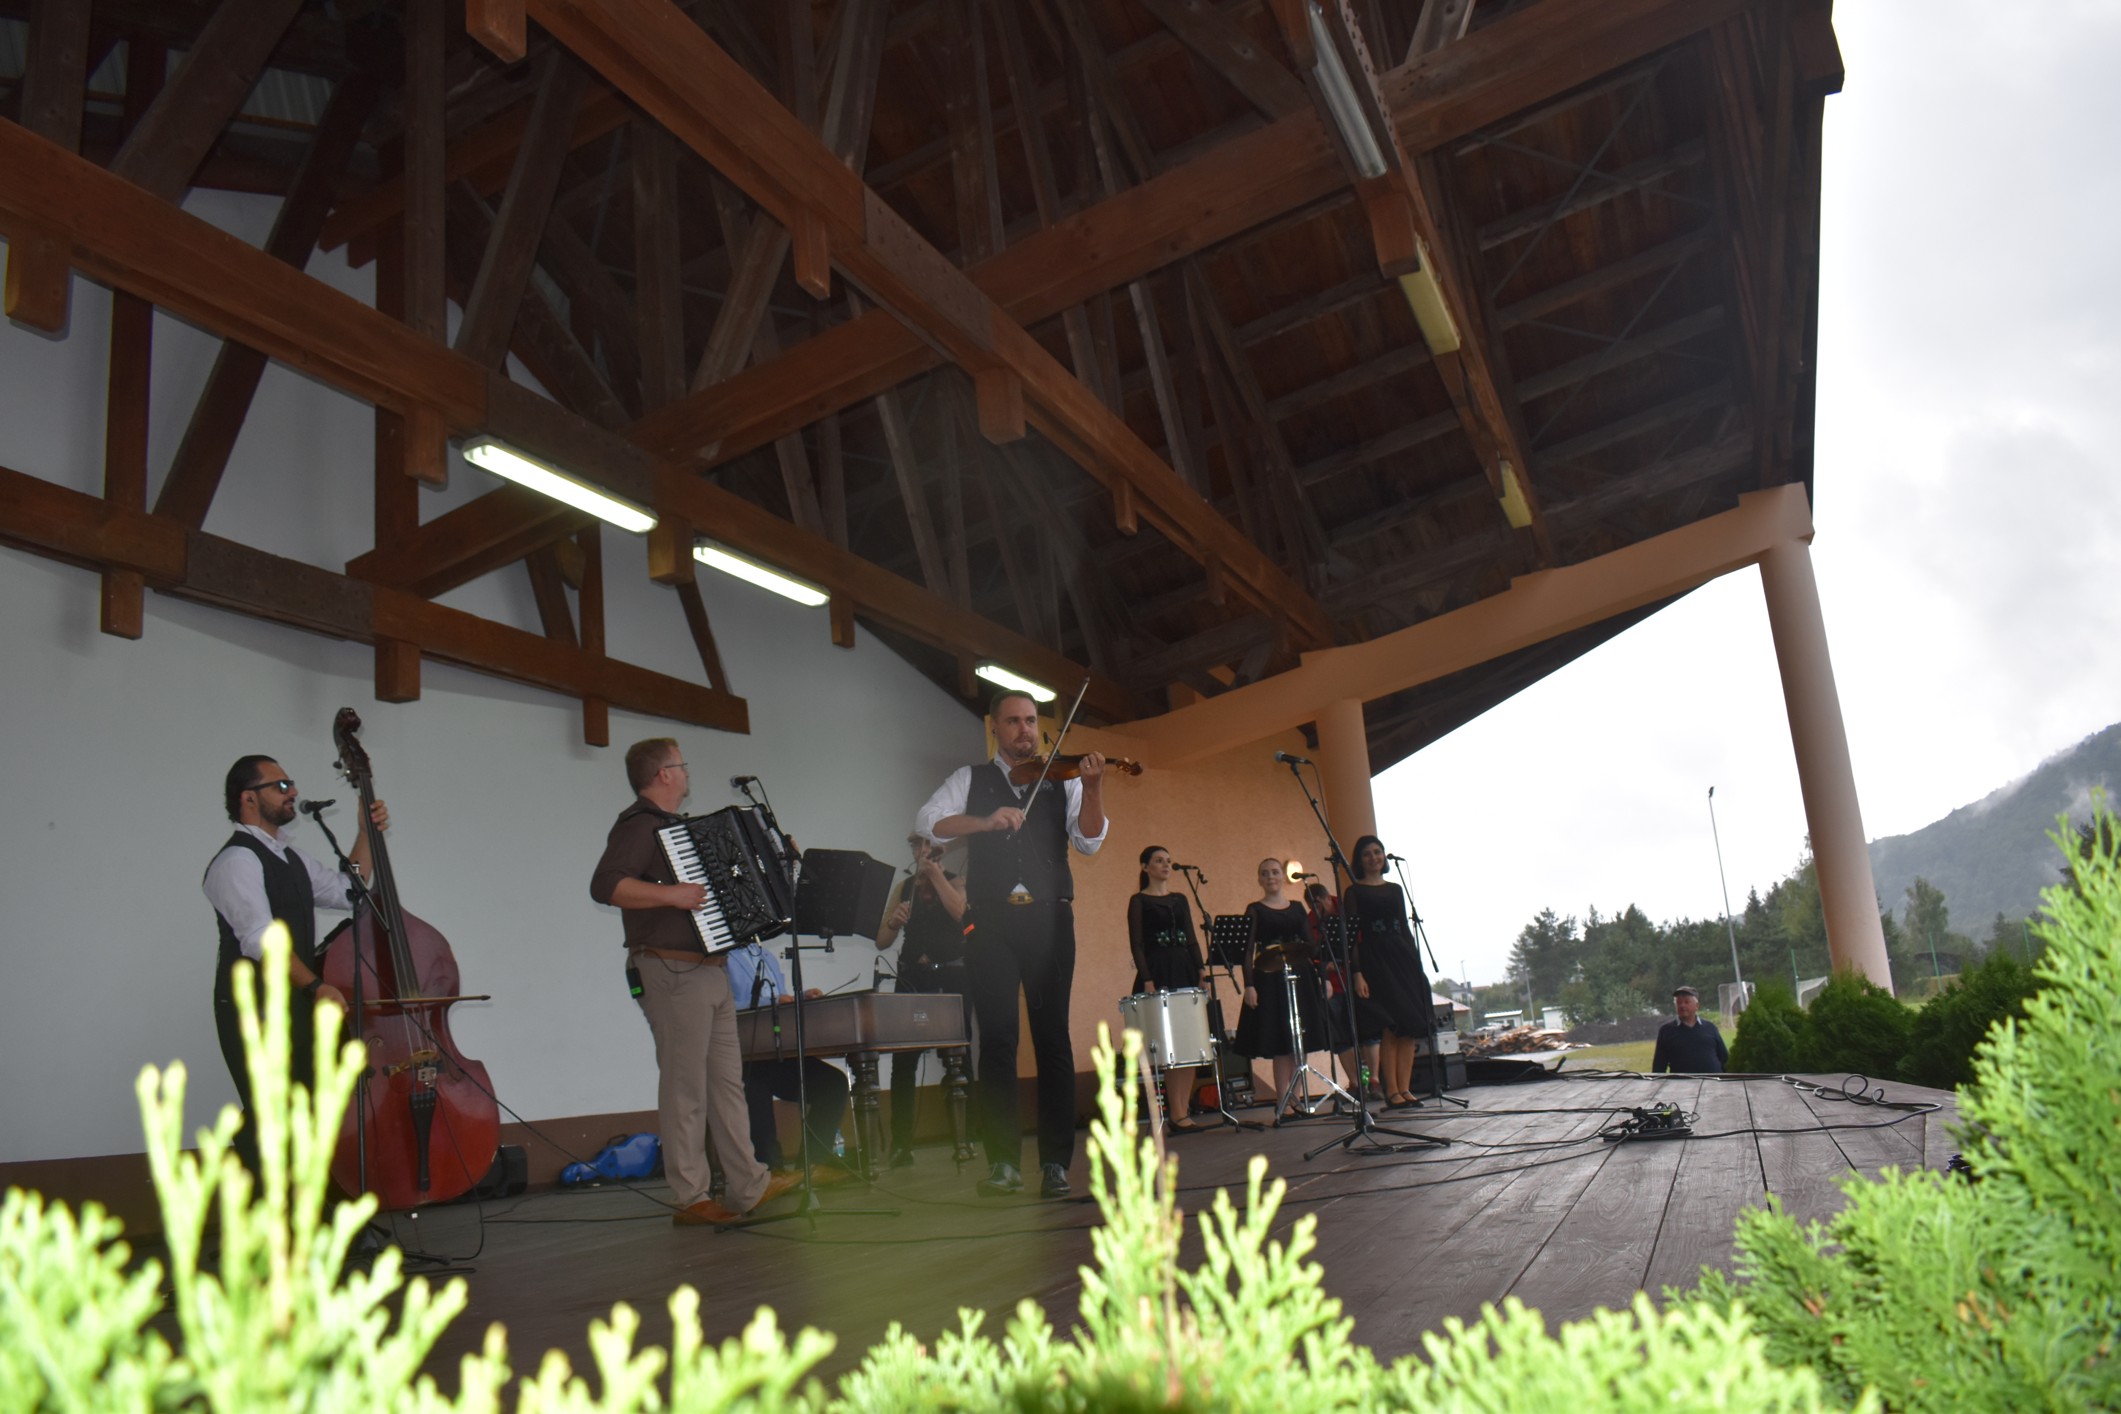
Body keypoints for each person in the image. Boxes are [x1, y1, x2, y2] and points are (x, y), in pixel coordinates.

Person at [590, 737, 798, 1226]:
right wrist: (673, 896)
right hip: (670, 970)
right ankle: (690, 1196)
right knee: (686, 1086)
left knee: (727, 1084)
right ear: (663, 774)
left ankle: (749, 1184)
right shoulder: (639, 825)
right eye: (681, 765)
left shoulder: (676, 829)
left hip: (709, 969)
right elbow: (606, 885)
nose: (687, 773)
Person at [915, 690, 1107, 1200]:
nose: (1025, 730)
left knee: (1052, 1038)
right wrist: (984, 821)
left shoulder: (1064, 779)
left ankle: (1055, 1164)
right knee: (998, 1039)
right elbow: (928, 822)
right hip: (990, 923)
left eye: (1031, 720)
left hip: (1049, 922)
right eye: (1015, 721)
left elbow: (1090, 841)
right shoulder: (969, 779)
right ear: (995, 728)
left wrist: (1092, 788)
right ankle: (1002, 1162)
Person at [203, 754, 386, 1174]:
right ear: (249, 798)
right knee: (270, 1113)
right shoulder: (236, 861)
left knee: (304, 1108)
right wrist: (316, 986)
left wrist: (365, 834)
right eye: (281, 785)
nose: (294, 792)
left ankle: (302, 1204)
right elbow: (262, 939)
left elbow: (349, 891)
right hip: (254, 1006)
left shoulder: (291, 857)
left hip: (295, 1002)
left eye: (291, 783)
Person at [873, 833, 968, 1166]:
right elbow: (881, 941)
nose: (920, 851)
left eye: (926, 845)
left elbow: (959, 913)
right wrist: (893, 922)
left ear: (938, 848)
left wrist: (935, 873)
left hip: (951, 977)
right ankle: (901, 1145)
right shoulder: (905, 887)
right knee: (903, 1062)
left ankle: (965, 1138)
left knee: (958, 1058)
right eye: (915, 846)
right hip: (911, 977)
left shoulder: (955, 881)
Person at [726, 940, 852, 1172]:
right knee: (754, 1084)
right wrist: (771, 1001)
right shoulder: (722, 958)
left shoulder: (766, 956)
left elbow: (781, 998)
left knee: (833, 1083)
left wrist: (801, 997)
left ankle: (812, 1162)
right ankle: (770, 1170)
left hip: (779, 1049)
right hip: (745, 1054)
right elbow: (725, 1006)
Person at [1343, 835, 1440, 1109]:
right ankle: (1392, 1091)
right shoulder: (1354, 892)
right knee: (1391, 1027)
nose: (1374, 857)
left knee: (1409, 1026)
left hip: (1402, 957)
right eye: (1367, 854)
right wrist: (1357, 973)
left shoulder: (1396, 889)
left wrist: (1416, 965)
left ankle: (1406, 1089)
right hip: (1375, 961)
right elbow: (1352, 937)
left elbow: (1405, 928)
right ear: (1359, 860)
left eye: (1377, 852)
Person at [1232, 858, 1328, 1122]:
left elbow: (1311, 945)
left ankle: (1296, 1099)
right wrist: (1249, 985)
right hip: (1270, 977)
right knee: (1282, 1041)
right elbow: (1248, 950)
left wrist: (1323, 978)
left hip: (1301, 975)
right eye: (1265, 873)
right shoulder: (1255, 909)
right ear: (1259, 880)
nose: (1271, 876)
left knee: (1300, 1037)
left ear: (1283, 877)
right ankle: (1282, 1101)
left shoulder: (1297, 908)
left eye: (1275, 872)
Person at [1128, 845, 1209, 1133]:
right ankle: (1175, 1112)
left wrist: (1201, 970)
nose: (1165, 865)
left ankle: (1181, 1111)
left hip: (1184, 969)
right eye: (1159, 861)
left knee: (1188, 1042)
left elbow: (1191, 937)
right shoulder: (1139, 901)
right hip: (1158, 971)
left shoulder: (1180, 899)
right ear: (1145, 867)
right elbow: (1137, 944)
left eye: (1168, 861)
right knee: (1169, 1045)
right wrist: (1147, 978)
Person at [1309, 881, 1381, 1102]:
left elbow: (1358, 942)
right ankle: (1355, 1083)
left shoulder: (1345, 909)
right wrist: (1323, 967)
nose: (1315, 910)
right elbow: (1312, 952)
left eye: (1317, 905)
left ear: (1326, 899)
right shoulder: (1311, 920)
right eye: (1312, 907)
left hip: (1355, 978)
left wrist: (1356, 971)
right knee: (1341, 1036)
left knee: (1368, 1030)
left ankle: (1375, 1080)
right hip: (1332, 984)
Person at [1651, 985, 1729, 1074]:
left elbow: (1725, 1058)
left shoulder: (1710, 1027)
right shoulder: (1666, 1031)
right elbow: (1659, 1065)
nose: (1682, 1005)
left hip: (1713, 1080)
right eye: (1678, 1002)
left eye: (1686, 1002)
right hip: (1683, 1082)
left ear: (1697, 1006)